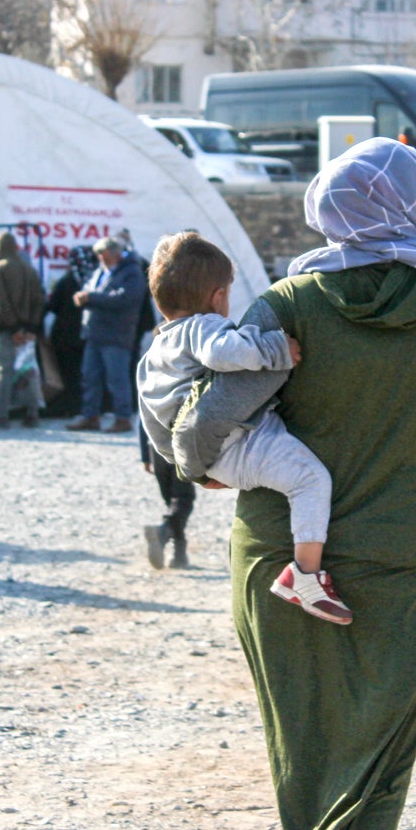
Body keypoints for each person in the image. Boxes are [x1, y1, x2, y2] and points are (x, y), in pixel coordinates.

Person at [167, 137, 416, 830]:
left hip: (280, 568)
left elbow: (198, 431)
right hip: (405, 573)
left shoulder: (289, 304)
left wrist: (204, 471)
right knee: (375, 769)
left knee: (303, 755)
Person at [138, 232, 351, 621]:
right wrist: (275, 350)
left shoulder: (153, 354)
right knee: (311, 480)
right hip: (240, 442)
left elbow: (153, 425)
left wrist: (193, 471)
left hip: (211, 455)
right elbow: (223, 352)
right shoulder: (201, 327)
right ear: (218, 296)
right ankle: (305, 576)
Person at [65, 236, 146, 434]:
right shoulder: (101, 270)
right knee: (90, 376)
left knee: (116, 379)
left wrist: (90, 298)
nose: (99, 258)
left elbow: (126, 299)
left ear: (114, 253)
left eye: (102, 254)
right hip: (95, 333)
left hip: (116, 335)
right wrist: (84, 295)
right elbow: (92, 289)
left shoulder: (132, 272)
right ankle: (90, 415)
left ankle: (123, 417)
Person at [0, 232, 46, 428]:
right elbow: (39, 300)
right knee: (28, 371)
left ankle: (2, 414)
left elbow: (1, 300)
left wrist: (14, 329)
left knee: (5, 372)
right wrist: (30, 328)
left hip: (7, 329)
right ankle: (32, 413)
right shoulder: (29, 269)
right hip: (28, 329)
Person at [43, 245, 93, 418]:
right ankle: (80, 406)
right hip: (86, 335)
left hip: (64, 336)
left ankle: (68, 407)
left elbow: (53, 306)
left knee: (66, 373)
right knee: (82, 373)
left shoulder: (67, 281)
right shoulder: (94, 280)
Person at [139, 421, 196, 570]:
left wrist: (145, 456)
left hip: (155, 446)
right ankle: (163, 531)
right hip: (181, 443)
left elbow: (143, 419)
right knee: (183, 498)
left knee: (171, 501)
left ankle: (179, 555)